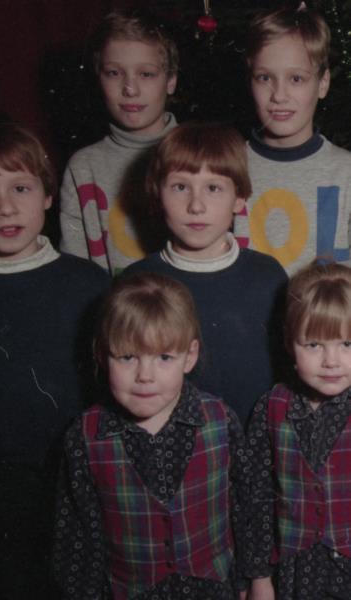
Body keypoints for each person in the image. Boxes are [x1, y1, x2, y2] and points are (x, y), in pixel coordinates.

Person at [0, 110, 108, 598]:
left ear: (48, 194)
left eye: (21, 188)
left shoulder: (89, 285)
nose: (5, 208)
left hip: (83, 482)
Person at [53, 272, 248, 599]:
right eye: (127, 357)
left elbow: (245, 509)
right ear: (101, 355)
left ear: (190, 356)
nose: (145, 376)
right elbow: (76, 539)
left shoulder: (220, 420)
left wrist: (247, 581)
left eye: (164, 357)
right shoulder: (84, 437)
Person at [123, 121, 287, 423]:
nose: (196, 206)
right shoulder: (136, 282)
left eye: (213, 188)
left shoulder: (268, 276)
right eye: (180, 187)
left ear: (239, 198)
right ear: (157, 194)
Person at [242, 263, 351, 600]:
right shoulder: (271, 407)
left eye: (347, 343)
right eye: (314, 344)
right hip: (297, 572)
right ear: (290, 343)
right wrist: (259, 577)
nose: (331, 361)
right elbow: (255, 498)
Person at [233, 5, 351, 275]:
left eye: (296, 78)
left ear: (323, 83)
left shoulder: (346, 172)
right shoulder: (227, 166)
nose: (279, 95)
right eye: (265, 78)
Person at [59, 9, 179, 274]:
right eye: (114, 73)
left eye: (146, 74)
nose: (130, 89)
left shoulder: (199, 153)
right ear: (98, 77)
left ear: (171, 80)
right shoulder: (83, 167)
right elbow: (74, 271)